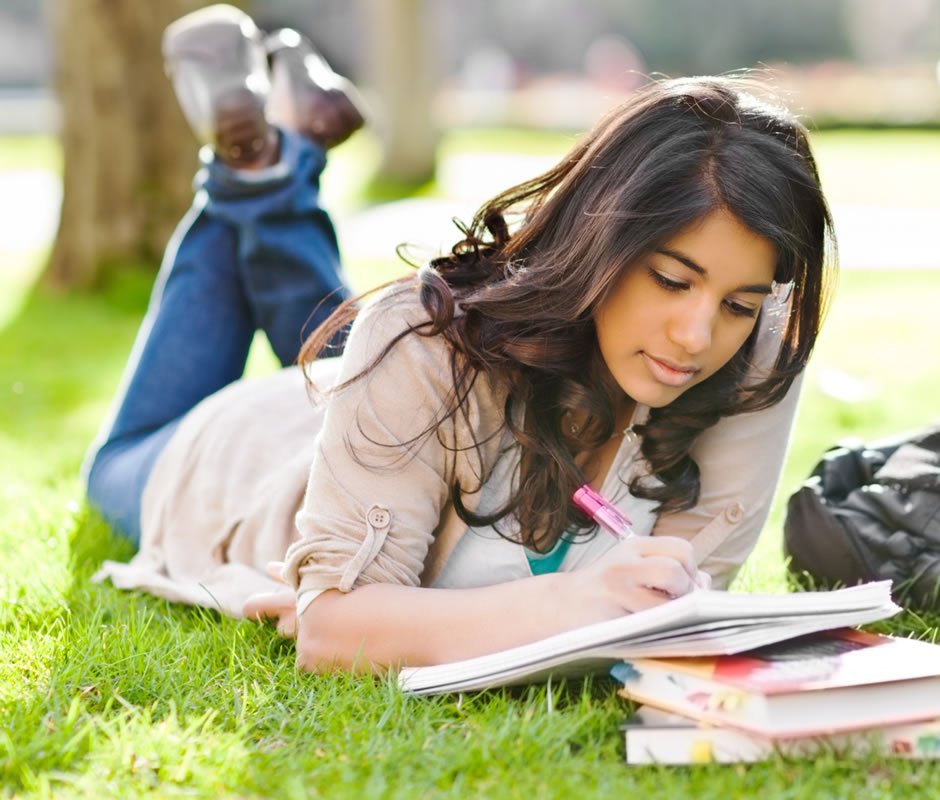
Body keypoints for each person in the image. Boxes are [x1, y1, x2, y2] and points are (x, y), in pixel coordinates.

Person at [85, 6, 835, 675]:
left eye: (739, 302)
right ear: (599, 244)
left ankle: (268, 164)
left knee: (386, 352)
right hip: (242, 457)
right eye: (671, 281)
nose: (699, 335)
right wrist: (579, 600)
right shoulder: (423, 345)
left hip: (381, 417)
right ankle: (252, 177)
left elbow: (676, 614)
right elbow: (335, 633)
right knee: (114, 465)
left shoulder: (752, 356)